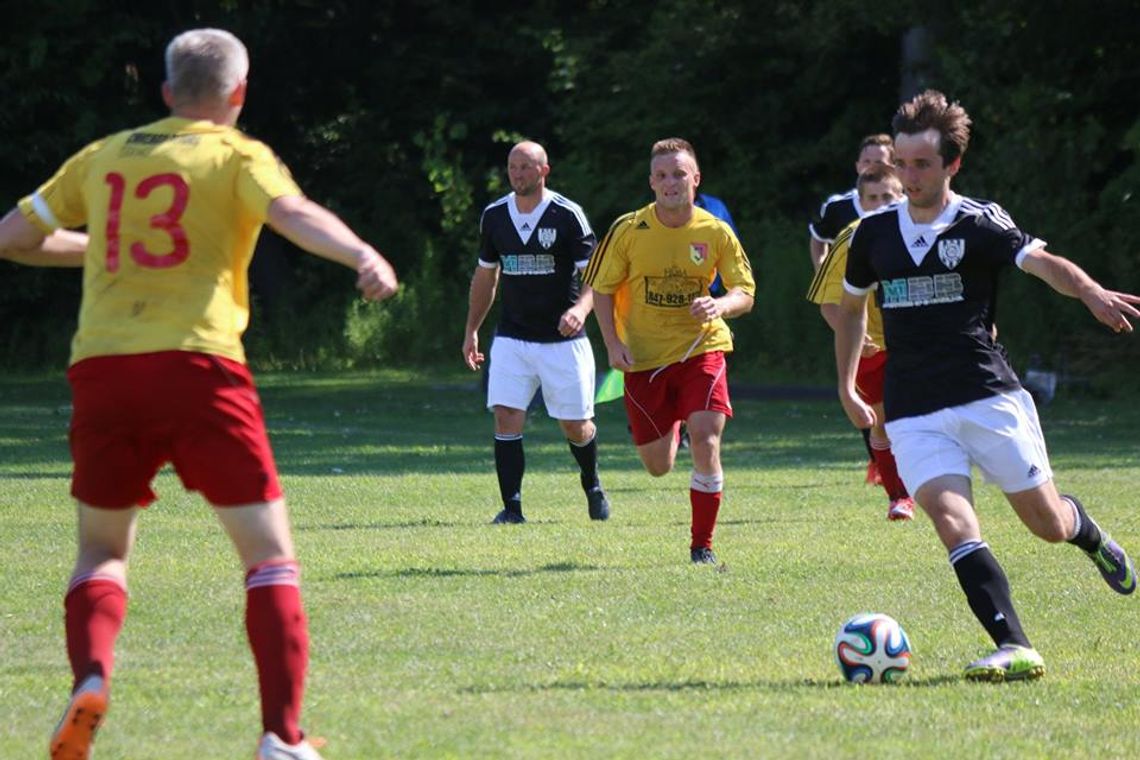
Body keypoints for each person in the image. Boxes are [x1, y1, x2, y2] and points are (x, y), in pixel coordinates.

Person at [0, 28, 398, 759]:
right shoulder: (237, 153)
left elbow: (12, 237)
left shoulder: (105, 154)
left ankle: (91, 676)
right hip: (199, 367)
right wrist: (360, 253)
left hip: (103, 372)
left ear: (165, 93)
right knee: (268, 557)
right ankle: (282, 736)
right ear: (238, 95)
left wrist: (99, 246)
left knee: (99, 555)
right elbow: (292, 214)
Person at [835, 89, 1137, 682]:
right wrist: (847, 385)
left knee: (1047, 525)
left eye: (922, 163)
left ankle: (1092, 535)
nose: (909, 174)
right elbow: (849, 311)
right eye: (901, 161)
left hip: (987, 396)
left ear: (952, 164)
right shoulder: (871, 235)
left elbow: (1042, 261)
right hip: (914, 408)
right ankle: (1014, 645)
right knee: (952, 522)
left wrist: (1091, 291)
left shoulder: (978, 221)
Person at [585, 138, 755, 564]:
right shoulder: (628, 230)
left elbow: (745, 292)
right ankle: (672, 427)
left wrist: (719, 304)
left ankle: (702, 546)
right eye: (661, 175)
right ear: (651, 183)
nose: (671, 182)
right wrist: (612, 344)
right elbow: (601, 290)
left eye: (679, 173)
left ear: (695, 179)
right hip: (644, 358)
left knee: (707, 439)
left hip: (703, 348)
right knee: (658, 465)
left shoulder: (715, 231)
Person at [462, 141, 610, 525]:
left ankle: (592, 482)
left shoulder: (567, 215)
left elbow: (596, 276)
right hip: (512, 338)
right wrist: (472, 330)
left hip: (563, 341)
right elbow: (485, 276)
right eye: (512, 167)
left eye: (526, 167)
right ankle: (512, 509)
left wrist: (580, 309)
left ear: (544, 170)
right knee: (506, 416)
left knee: (575, 426)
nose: (517, 174)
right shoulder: (494, 216)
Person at [807, 163, 915, 521]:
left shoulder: (923, 231)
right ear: (861, 203)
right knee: (883, 422)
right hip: (874, 349)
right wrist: (853, 335)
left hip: (915, 345)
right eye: (872, 198)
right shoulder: (850, 239)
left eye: (888, 196)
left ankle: (920, 484)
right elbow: (828, 305)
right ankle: (898, 496)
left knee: (916, 419)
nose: (881, 203)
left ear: (902, 195)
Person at [808, 133, 894, 272]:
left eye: (879, 162)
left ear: (892, 167)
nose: (871, 167)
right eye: (867, 162)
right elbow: (819, 237)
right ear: (858, 166)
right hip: (850, 289)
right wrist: (821, 270)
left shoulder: (907, 205)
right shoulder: (838, 207)